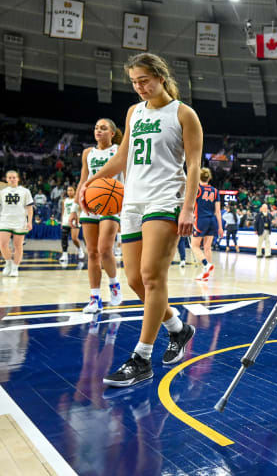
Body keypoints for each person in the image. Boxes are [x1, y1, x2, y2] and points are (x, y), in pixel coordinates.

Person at [80, 52, 202, 387]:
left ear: (161, 76)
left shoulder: (183, 114)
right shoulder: (133, 112)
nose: (139, 87)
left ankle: (141, 358)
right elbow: (122, 157)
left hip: (166, 197)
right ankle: (178, 328)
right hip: (132, 200)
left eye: (144, 80)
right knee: (134, 279)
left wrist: (188, 207)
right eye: (134, 82)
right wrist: (92, 181)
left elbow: (193, 165)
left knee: (151, 276)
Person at [74, 118, 124, 313]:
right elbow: (83, 180)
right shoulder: (88, 153)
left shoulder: (119, 150)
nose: (98, 131)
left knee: (105, 250)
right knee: (92, 253)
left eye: (103, 128)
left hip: (111, 204)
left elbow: (126, 178)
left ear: (112, 133)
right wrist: (74, 209)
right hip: (89, 204)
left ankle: (114, 283)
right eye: (96, 128)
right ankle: (95, 298)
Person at [0, 170, 33, 277]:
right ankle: (8, 263)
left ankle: (15, 268)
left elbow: (29, 207)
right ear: (6, 179)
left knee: (18, 245)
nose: (12, 179)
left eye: (14, 177)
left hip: (20, 222)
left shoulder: (25, 191)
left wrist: (30, 221)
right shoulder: (2, 192)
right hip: (5, 221)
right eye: (10, 178)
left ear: (18, 178)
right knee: (3, 244)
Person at [192, 167, 223, 281]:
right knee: (207, 248)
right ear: (209, 178)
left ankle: (206, 264)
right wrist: (220, 227)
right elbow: (218, 211)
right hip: (213, 220)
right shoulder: (215, 191)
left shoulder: (197, 189)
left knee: (194, 246)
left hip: (201, 220)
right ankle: (206, 274)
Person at [59, 185, 84, 263]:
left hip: (75, 221)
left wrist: (79, 219)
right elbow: (63, 212)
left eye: (71, 190)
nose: (69, 192)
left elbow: (80, 211)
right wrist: (62, 221)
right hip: (66, 221)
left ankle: (80, 250)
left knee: (74, 238)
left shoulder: (78, 200)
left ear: (75, 191)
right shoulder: (64, 201)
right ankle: (64, 254)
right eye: (68, 190)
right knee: (64, 238)